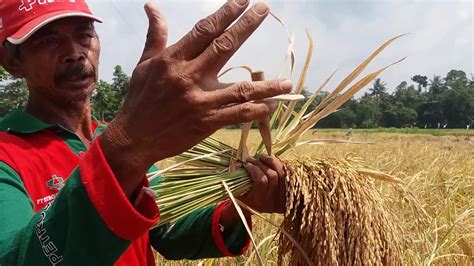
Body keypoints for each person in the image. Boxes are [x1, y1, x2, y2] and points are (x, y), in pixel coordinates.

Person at [0, 0, 291, 265]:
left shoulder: (117, 138)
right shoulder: (7, 154)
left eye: (84, 36)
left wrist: (242, 205)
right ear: (12, 62)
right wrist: (126, 147)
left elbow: (169, 229)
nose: (74, 53)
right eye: (48, 40)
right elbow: (19, 258)